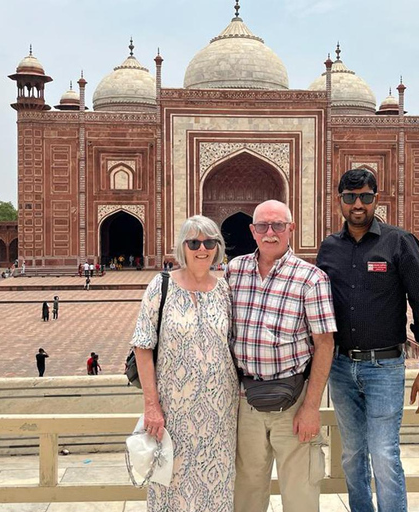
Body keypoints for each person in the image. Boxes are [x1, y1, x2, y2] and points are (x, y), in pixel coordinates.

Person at [317, 168, 419, 512]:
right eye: (350, 197)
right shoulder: (329, 249)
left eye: (365, 197)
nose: (357, 204)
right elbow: (315, 308)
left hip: (384, 366)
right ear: (339, 200)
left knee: (384, 454)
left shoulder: (399, 242)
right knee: (352, 454)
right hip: (341, 367)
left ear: (377, 198)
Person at [227, 200, 336, 512]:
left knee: (300, 493)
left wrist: (312, 407)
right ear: (252, 230)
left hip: (294, 402)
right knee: (245, 492)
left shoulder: (311, 278)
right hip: (247, 401)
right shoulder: (235, 272)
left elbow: (325, 344)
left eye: (277, 226)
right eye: (262, 226)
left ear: (291, 229)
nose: (270, 233)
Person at [132, 215, 237, 512]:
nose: (201, 249)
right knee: (170, 485)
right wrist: (151, 405)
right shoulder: (160, 285)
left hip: (220, 413)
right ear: (183, 247)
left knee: (216, 485)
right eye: (193, 242)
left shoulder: (226, 291)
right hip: (172, 411)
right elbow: (142, 345)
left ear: (218, 247)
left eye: (208, 242)